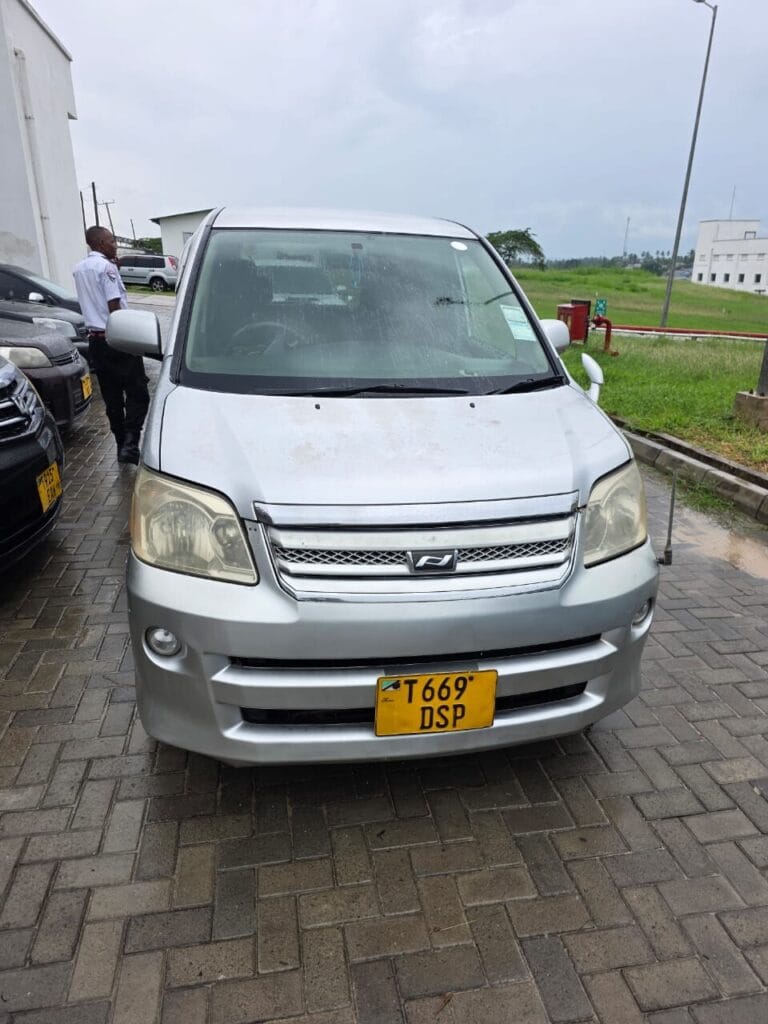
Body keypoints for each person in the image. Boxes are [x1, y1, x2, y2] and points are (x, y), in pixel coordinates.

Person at [73, 227, 149, 464]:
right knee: (138, 393)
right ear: (99, 242)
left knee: (112, 396)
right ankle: (130, 442)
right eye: (111, 240)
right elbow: (113, 304)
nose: (115, 244)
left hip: (95, 342)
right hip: (116, 338)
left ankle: (120, 444)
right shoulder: (106, 268)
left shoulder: (79, 269)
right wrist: (126, 334)